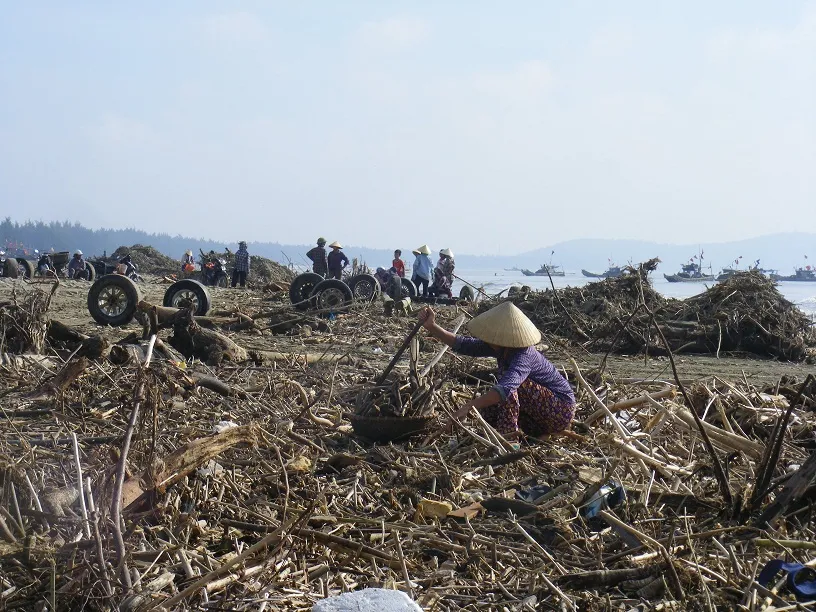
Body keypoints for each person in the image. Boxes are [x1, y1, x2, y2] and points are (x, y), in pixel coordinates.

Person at [419, 302, 575, 438]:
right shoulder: (502, 347)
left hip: (560, 411)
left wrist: (468, 406)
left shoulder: (523, 355)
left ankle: (509, 439)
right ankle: (523, 433)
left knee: (508, 388)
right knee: (489, 410)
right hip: (538, 418)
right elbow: (464, 344)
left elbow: (506, 388)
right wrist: (432, 326)